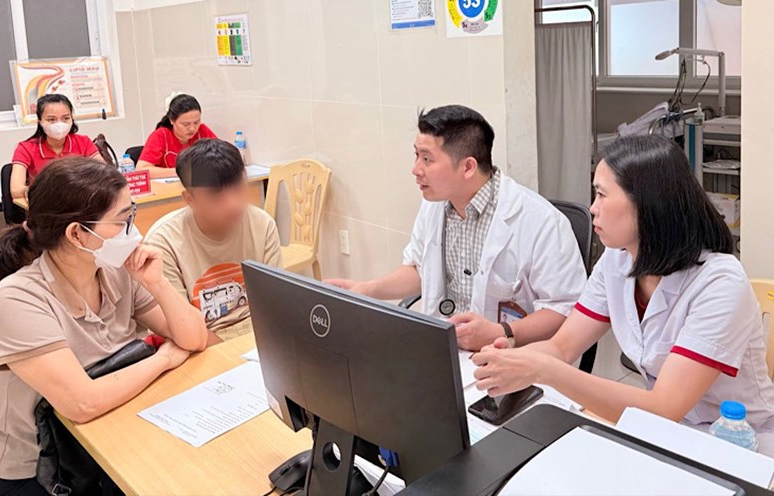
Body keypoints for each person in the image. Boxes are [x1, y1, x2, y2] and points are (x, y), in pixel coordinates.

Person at [472, 135, 774, 455]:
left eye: (602, 194)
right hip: (665, 431)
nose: (592, 208)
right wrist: (512, 359)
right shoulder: (617, 259)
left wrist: (543, 370)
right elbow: (562, 347)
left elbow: (664, 406)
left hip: (739, 443)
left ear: (647, 204)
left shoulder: (720, 283)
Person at [0, 158, 208, 495]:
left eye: (132, 214)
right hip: (35, 471)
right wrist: (165, 358)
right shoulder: (16, 299)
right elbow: (82, 403)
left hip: (105, 443)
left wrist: (157, 283)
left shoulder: (117, 270)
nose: (133, 229)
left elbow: (194, 337)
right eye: (122, 220)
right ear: (76, 234)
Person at [327, 105, 586, 351]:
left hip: (510, 356)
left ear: (468, 166)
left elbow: (564, 309)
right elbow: (419, 270)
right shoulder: (435, 205)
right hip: (443, 349)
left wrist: (500, 331)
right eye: (417, 155)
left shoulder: (541, 222)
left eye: (427, 159)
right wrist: (368, 290)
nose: (415, 170)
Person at [145, 138, 282, 344]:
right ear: (190, 199)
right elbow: (179, 328)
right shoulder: (164, 242)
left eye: (238, 188)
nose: (232, 204)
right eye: (216, 196)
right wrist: (232, 356)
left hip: (257, 335)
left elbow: (274, 304)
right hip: (199, 342)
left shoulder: (261, 224)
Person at [10, 94, 102, 200]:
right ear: (40, 122)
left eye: (65, 118)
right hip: (46, 206)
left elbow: (104, 174)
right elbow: (16, 190)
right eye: (51, 119)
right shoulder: (25, 148)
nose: (59, 124)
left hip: (81, 203)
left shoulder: (83, 142)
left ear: (72, 119)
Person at [136, 94, 218, 179]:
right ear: (172, 120)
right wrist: (181, 172)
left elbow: (224, 157)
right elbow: (141, 170)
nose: (192, 128)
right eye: (186, 124)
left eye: (196, 122)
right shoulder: (161, 135)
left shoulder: (202, 131)